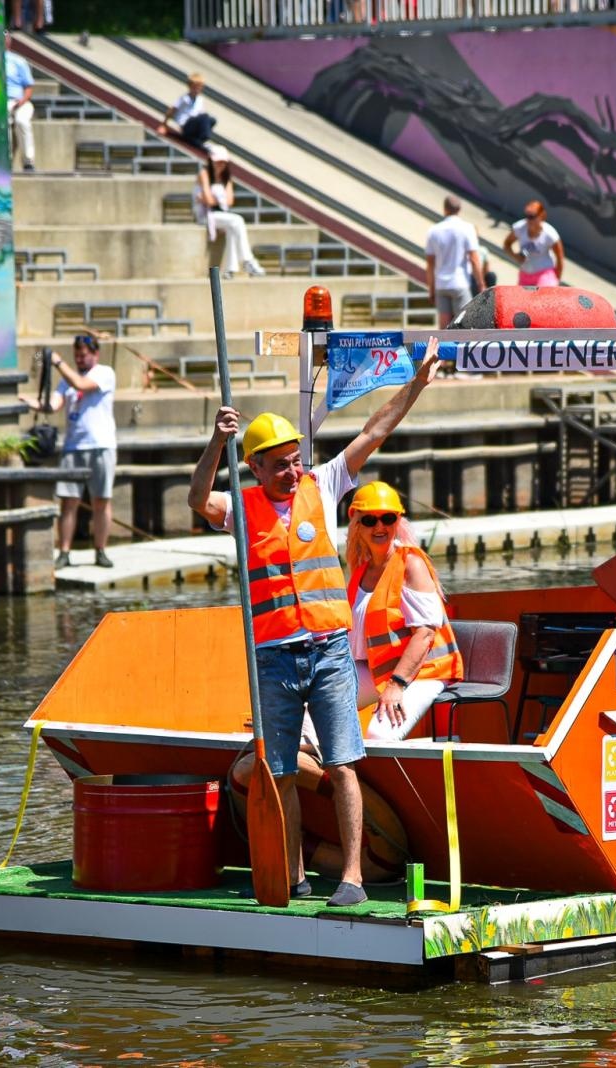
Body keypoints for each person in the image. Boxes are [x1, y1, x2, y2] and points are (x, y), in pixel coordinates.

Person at [188, 345, 441, 907]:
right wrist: (216, 443)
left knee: (343, 764)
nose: (292, 469)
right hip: (273, 658)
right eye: (279, 463)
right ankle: (294, 873)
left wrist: (417, 385)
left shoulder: (322, 485)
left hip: (328, 653)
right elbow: (196, 498)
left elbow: (373, 432)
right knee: (279, 771)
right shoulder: (240, 507)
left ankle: (351, 878)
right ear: (254, 467)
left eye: (295, 459)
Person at [344, 481, 464, 740]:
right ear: (356, 524)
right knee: (314, 710)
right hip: (378, 670)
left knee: (379, 734)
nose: (379, 526)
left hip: (424, 672)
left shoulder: (411, 565)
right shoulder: (360, 572)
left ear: (398, 520)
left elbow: (425, 634)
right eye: (370, 520)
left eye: (387, 518)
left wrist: (396, 685)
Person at [19, 334, 116, 568]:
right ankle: (64, 552)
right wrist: (29, 401)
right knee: (69, 502)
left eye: (84, 355)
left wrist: (58, 362)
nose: (80, 359)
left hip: (101, 445)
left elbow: (81, 385)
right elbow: (52, 406)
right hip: (74, 446)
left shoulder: (104, 373)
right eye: (77, 356)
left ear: (95, 354)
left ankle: (100, 550)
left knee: (101, 501)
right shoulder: (66, 381)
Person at [194, 145, 265, 279]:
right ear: (211, 161)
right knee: (237, 220)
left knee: (233, 228)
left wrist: (212, 199)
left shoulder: (226, 177)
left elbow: (229, 201)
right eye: (218, 162)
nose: (220, 165)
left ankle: (229, 269)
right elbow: (210, 201)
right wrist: (215, 200)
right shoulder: (204, 174)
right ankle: (247, 260)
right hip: (206, 216)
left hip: (221, 215)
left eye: (223, 162)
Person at [425, 195, 483, 328]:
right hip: (460, 282)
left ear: (444, 209)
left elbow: (430, 264)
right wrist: (481, 283)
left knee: (444, 328)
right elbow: (474, 259)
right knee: (465, 326)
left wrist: (431, 289)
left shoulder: (433, 230)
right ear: (459, 209)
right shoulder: (467, 228)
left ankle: (442, 343)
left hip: (441, 284)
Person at [503, 199, 564, 287]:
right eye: (526, 216)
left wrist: (557, 279)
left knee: (542, 294)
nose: (528, 220)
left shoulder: (550, 234)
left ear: (541, 215)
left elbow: (560, 259)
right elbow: (507, 244)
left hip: (544, 273)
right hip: (525, 273)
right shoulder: (520, 227)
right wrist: (515, 256)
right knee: (521, 296)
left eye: (532, 217)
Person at [156, 72, 215, 148]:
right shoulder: (184, 98)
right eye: (195, 87)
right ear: (190, 87)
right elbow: (171, 111)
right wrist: (163, 126)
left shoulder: (200, 100)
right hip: (186, 125)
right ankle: (204, 137)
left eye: (199, 87)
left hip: (195, 124)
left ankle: (198, 139)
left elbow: (202, 115)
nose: (197, 90)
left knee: (212, 120)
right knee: (204, 117)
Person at [5, 49, 35, 172]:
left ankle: (28, 162)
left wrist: (21, 102)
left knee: (22, 121)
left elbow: (29, 87)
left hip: (20, 101)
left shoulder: (18, 61)